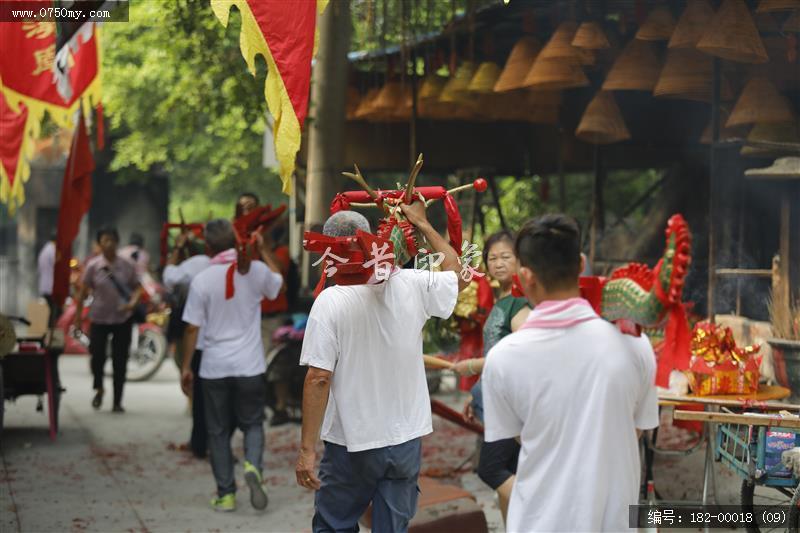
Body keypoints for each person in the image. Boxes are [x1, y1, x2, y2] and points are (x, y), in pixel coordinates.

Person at [295, 202, 468, 533]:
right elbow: (457, 275)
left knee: (334, 526)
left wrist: (307, 450)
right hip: (404, 440)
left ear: (328, 251)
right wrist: (425, 225)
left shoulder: (330, 301)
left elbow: (318, 378)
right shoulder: (411, 284)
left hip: (351, 440)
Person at [481, 214, 659, 532]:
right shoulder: (636, 345)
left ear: (525, 276)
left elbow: (523, 437)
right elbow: (636, 429)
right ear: (580, 265)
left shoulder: (503, 359)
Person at [180, 218, 283, 512]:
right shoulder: (256, 270)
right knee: (252, 423)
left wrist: (187, 366)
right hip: (249, 366)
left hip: (214, 368)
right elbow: (278, 284)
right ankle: (253, 464)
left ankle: (226, 494)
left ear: (208, 246)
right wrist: (262, 252)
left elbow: (191, 329)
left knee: (217, 432)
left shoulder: (202, 280)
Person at [451, 230, 530, 523]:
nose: (498, 263)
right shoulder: (501, 301)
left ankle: (544, 507)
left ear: (520, 260)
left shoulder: (519, 304)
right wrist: (478, 395)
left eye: (505, 257)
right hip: (496, 401)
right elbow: (498, 353)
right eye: (492, 258)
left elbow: (521, 352)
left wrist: (473, 366)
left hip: (511, 403)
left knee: (491, 469)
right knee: (510, 469)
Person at [73, 227, 143, 413]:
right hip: (99, 318)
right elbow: (82, 293)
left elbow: (137, 287)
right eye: (105, 240)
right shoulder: (93, 266)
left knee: (120, 360)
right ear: (99, 244)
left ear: (117, 242)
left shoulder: (127, 264)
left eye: (112, 240)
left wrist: (132, 303)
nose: (109, 244)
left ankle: (117, 401)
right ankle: (99, 388)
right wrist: (78, 319)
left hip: (122, 318)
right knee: (97, 356)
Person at [163, 231, 211, 459]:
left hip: (195, 334)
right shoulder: (234, 267)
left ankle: (201, 440)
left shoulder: (193, 266)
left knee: (200, 387)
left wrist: (186, 365)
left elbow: (168, 277)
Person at [37, 233, 57, 323]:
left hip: (45, 285)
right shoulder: (52, 250)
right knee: (53, 311)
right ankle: (50, 329)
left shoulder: (45, 250)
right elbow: (57, 266)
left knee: (49, 310)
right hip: (51, 286)